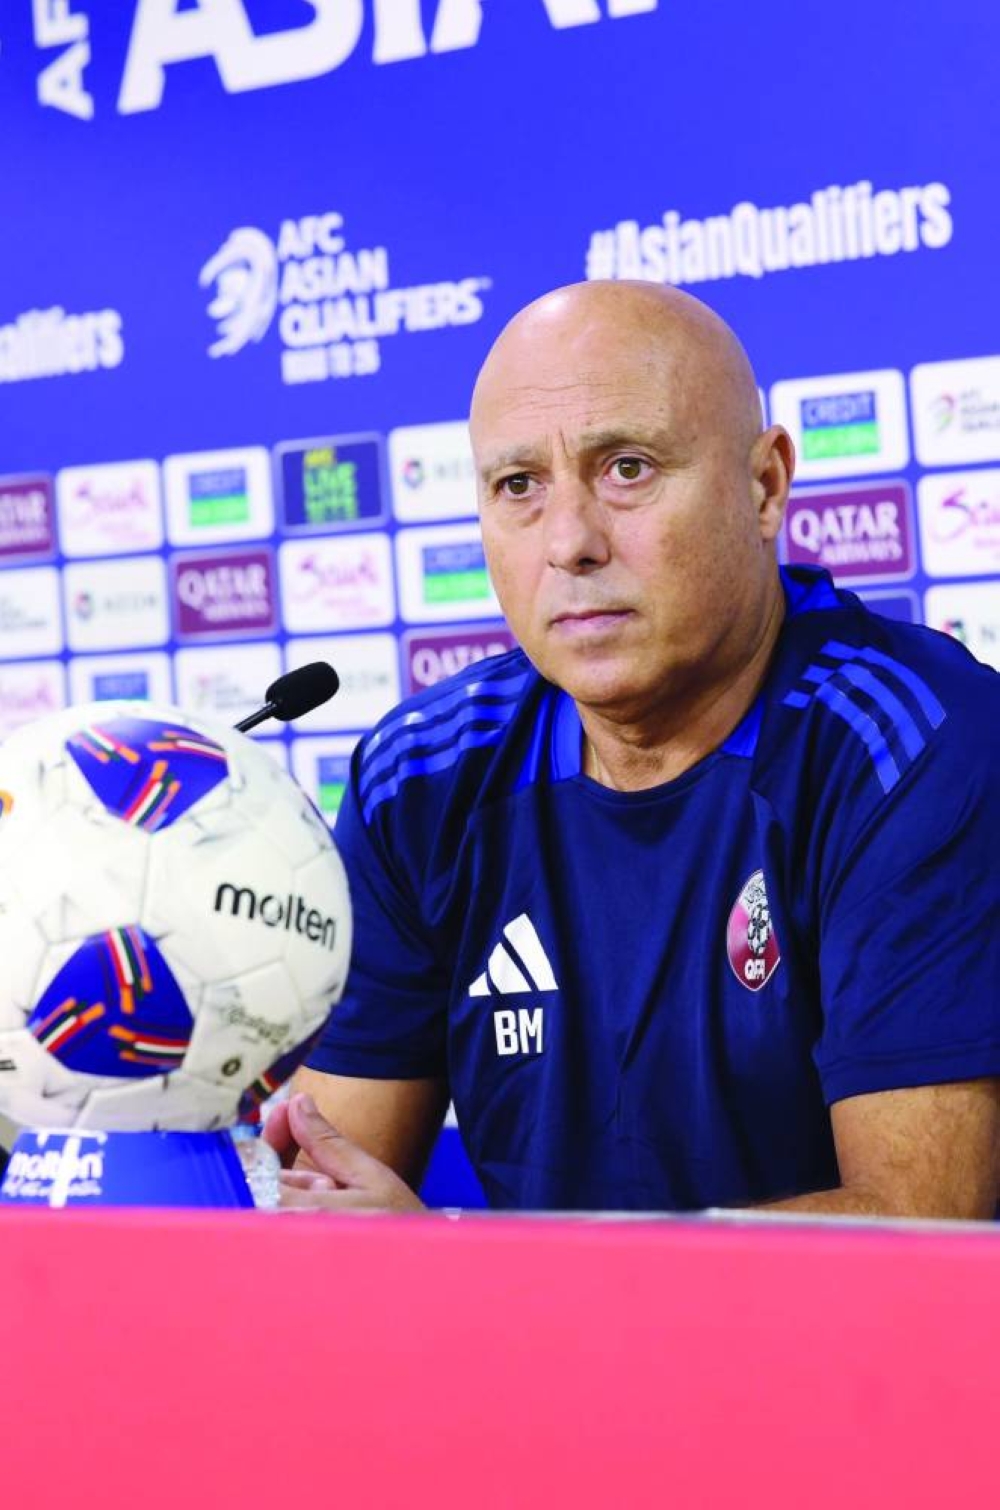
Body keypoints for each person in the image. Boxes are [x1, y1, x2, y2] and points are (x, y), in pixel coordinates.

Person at [267, 280, 1000, 1219]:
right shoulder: (422, 777)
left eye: (627, 469)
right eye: (519, 486)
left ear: (764, 486)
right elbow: (324, 1197)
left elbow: (920, 1228)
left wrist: (469, 1269)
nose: (569, 542)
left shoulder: (913, 745)